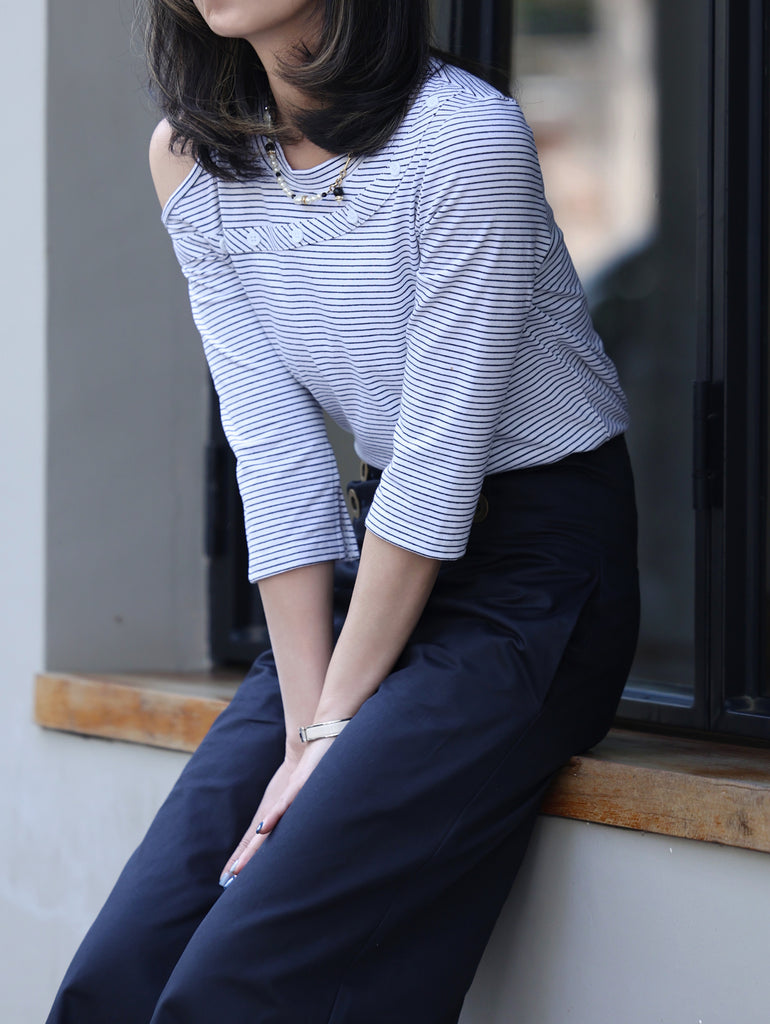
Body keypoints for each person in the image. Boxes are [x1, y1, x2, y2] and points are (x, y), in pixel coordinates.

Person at [47, 1, 639, 1021]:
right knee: (125, 969)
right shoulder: (191, 158)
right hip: (377, 571)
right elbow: (273, 453)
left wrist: (326, 739)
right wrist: (300, 726)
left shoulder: (460, 134)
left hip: (534, 585)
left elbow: (438, 455)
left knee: (244, 983)